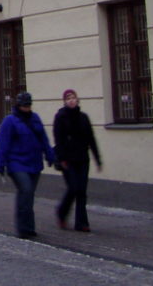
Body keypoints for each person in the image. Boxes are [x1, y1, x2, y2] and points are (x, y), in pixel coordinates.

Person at [0, 91, 55, 239]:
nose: (26, 108)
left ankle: (29, 228)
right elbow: (2, 144)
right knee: (26, 190)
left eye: (28, 105)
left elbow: (43, 139)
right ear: (18, 105)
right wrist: (0, 164)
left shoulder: (35, 119)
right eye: (24, 105)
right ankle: (23, 228)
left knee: (29, 195)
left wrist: (50, 155)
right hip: (16, 163)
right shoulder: (10, 121)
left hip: (34, 163)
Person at [53, 89, 102, 232]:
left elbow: (91, 139)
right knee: (74, 188)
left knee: (82, 191)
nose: (71, 100)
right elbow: (58, 138)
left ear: (77, 100)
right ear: (65, 101)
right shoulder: (61, 117)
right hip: (68, 160)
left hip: (82, 158)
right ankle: (62, 212)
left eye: (73, 97)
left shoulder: (83, 117)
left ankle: (82, 223)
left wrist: (97, 158)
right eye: (68, 98)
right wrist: (61, 158)